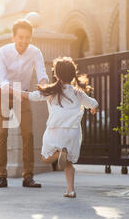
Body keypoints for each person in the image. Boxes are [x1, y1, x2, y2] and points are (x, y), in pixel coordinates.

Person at [11, 57, 98, 198]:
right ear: (73, 73)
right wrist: (94, 109)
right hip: (72, 132)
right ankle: (70, 190)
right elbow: (94, 104)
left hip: (55, 130)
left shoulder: (51, 91)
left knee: (46, 157)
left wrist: (13, 90)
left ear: (56, 75)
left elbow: (31, 96)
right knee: (68, 162)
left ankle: (58, 154)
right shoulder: (78, 92)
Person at [0, 19, 49, 188]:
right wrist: (23, 94)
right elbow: (2, 81)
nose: (24, 41)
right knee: (2, 133)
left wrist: (45, 86)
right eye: (21, 37)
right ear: (13, 37)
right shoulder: (2, 52)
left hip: (22, 95)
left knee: (28, 134)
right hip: (2, 93)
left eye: (27, 38)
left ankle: (28, 177)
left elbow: (42, 74)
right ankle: (1, 176)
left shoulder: (35, 52)